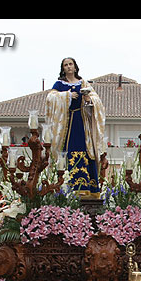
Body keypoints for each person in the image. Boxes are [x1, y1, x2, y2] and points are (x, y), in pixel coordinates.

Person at [45, 57, 106, 198]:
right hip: (67, 123)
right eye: (65, 65)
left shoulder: (83, 83)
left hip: (82, 122)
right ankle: (66, 186)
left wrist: (88, 100)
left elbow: (97, 101)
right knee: (67, 151)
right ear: (63, 68)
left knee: (85, 150)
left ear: (75, 66)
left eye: (70, 64)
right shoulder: (60, 84)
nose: (68, 67)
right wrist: (67, 96)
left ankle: (87, 188)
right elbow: (50, 98)